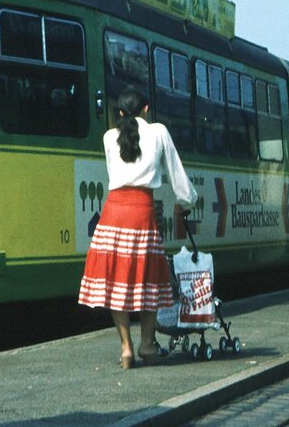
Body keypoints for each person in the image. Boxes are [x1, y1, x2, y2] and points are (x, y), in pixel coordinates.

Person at [78, 86, 198, 369]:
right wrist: (186, 201)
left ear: (119, 113)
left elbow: (113, 171)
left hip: (113, 213)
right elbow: (176, 172)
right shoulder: (158, 132)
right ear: (146, 109)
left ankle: (126, 348)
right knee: (149, 281)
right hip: (142, 213)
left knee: (116, 283)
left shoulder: (109, 137)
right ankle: (147, 344)